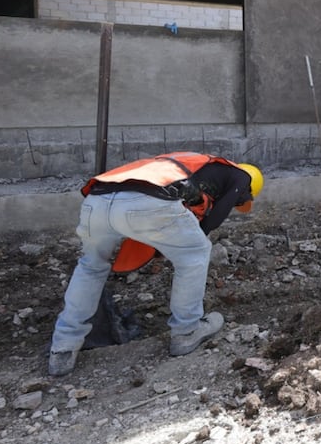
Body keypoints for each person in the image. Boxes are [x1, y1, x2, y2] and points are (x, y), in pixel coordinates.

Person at [48, 153, 263, 376]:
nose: (238, 203)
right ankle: (187, 331)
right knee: (196, 251)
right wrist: (180, 243)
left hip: (98, 197)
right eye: (241, 201)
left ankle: (62, 347)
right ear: (250, 188)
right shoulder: (242, 176)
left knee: (91, 266)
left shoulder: (195, 164)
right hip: (148, 199)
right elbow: (213, 220)